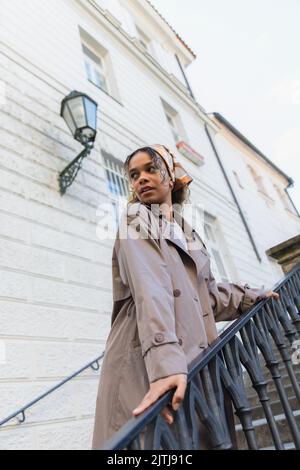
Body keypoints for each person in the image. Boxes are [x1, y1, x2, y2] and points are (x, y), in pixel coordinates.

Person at [92, 144, 279, 449]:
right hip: (148, 360)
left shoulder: (187, 232)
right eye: (134, 174)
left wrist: (252, 296)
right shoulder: (135, 217)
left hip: (194, 359)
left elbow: (207, 295)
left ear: (171, 176)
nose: (141, 179)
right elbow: (150, 288)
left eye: (151, 169)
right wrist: (165, 364)